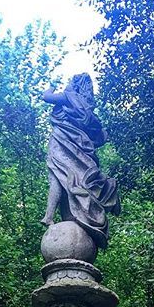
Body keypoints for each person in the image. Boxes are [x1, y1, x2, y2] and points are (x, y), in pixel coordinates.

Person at [42, 73, 120, 250]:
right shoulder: (87, 108)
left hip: (61, 144)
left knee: (57, 177)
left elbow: (46, 97)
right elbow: (100, 137)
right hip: (81, 152)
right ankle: (51, 215)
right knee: (74, 181)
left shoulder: (68, 97)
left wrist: (52, 85)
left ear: (74, 84)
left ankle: (49, 215)